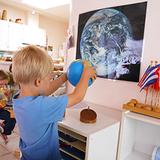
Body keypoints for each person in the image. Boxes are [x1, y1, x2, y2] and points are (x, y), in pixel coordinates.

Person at [12, 45, 96, 160]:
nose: (50, 80)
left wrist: (64, 77)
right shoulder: (42, 106)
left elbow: (45, 90)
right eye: (49, 78)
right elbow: (77, 97)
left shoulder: (18, 99)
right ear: (38, 81)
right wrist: (85, 76)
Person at [0, 70, 16, 143]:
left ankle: (4, 130)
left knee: (14, 116)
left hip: (2, 107)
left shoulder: (2, 89)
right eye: (1, 84)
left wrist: (7, 96)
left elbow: (4, 102)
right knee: (11, 115)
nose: (3, 86)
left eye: (4, 84)